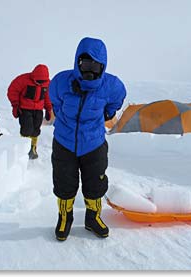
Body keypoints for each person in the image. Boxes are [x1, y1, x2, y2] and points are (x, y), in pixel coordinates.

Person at [49, 37, 126, 241]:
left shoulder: (112, 86)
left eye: (96, 66)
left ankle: (93, 218)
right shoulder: (60, 82)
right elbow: (55, 103)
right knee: (64, 183)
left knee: (95, 183)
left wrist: (106, 115)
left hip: (94, 143)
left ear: (103, 66)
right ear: (77, 62)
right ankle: (65, 217)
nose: (89, 71)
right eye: (85, 64)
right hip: (64, 142)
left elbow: (115, 103)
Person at [7, 64, 53, 159]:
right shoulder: (23, 80)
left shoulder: (48, 83)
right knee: (27, 129)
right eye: (38, 81)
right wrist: (15, 105)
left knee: (36, 129)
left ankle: (32, 148)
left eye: (42, 82)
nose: (40, 84)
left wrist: (48, 109)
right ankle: (22, 148)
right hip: (25, 108)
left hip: (38, 110)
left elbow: (48, 97)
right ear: (33, 77)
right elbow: (12, 91)